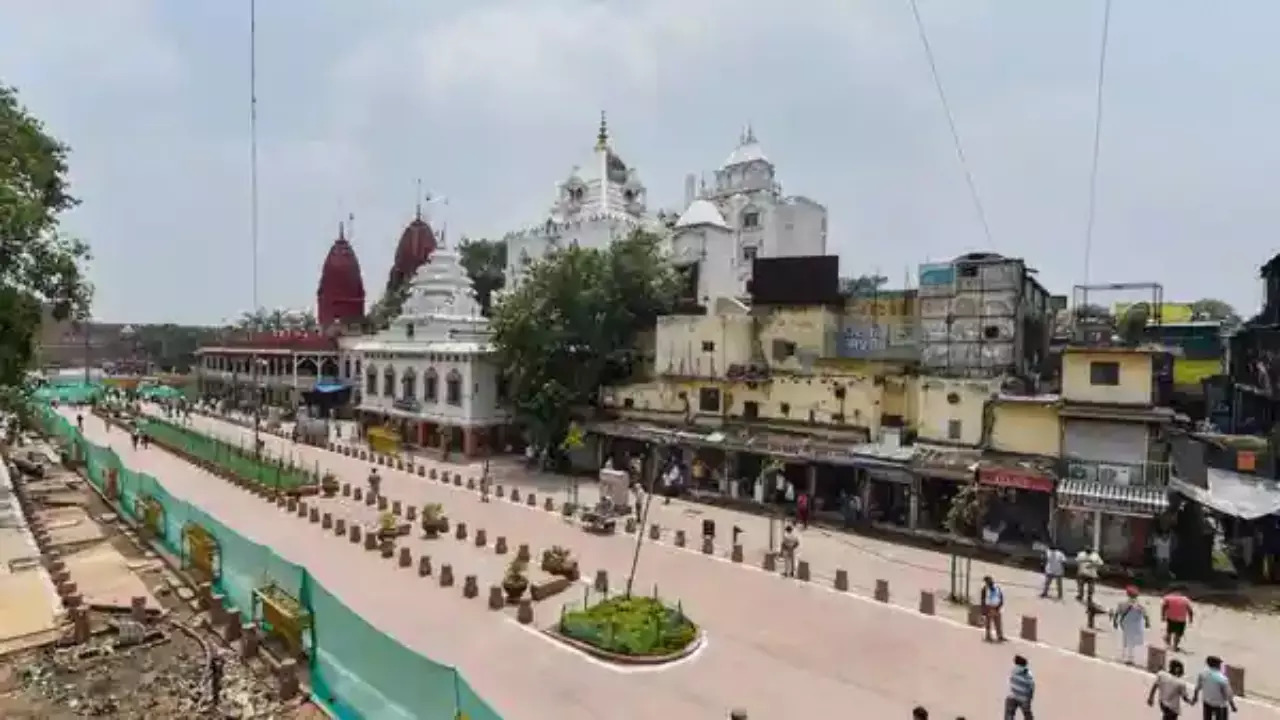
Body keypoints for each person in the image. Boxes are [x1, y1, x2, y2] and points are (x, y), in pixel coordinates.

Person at [1114, 586, 1151, 665]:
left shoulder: (1123, 602)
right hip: (1136, 625)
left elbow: (1117, 612)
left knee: (1126, 640)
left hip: (1126, 624)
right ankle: (1130, 658)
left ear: (1127, 594)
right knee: (1133, 642)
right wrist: (1147, 623)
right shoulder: (1140, 604)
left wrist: (1115, 622)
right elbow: (1145, 615)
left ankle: (1126, 657)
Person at [1005, 654, 1034, 719]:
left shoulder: (1012, 671)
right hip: (1024, 698)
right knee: (1027, 715)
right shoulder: (1028, 673)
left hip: (1012, 696)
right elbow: (1031, 686)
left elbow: (1009, 682)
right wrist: (1029, 698)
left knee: (1009, 715)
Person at [981, 575, 1006, 642]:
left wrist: (999, 605)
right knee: (988, 623)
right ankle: (988, 636)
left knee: (998, 623)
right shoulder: (984, 589)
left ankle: (1000, 636)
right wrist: (984, 610)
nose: (988, 582)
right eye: (987, 581)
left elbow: (1001, 596)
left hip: (996, 607)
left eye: (989, 580)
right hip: (989, 607)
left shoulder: (997, 587)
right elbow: (983, 600)